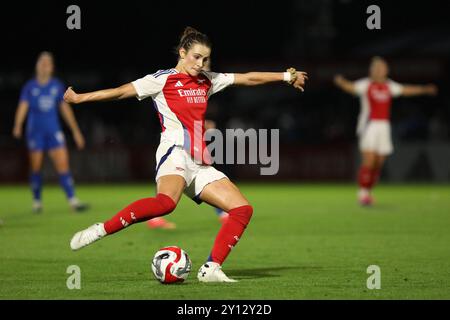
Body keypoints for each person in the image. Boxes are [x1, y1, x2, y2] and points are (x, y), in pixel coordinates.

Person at [64, 27, 307, 282]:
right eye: (196, 57)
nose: (200, 63)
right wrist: (80, 99)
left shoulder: (207, 80)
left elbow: (248, 78)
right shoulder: (162, 79)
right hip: (174, 152)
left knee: (242, 209)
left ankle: (211, 268)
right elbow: (120, 91)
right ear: (182, 53)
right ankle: (100, 229)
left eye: (204, 59)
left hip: (199, 161)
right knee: (166, 204)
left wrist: (285, 76)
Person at [334, 56, 437, 206]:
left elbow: (405, 90)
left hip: (384, 127)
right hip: (369, 126)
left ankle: (368, 191)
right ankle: (362, 194)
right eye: (377, 68)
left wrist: (424, 89)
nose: (380, 71)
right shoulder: (366, 84)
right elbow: (351, 87)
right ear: (372, 70)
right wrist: (341, 82)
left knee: (378, 163)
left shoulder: (389, 86)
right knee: (369, 161)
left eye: (383, 68)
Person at [12, 51, 89, 213]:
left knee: (63, 165)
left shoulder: (57, 85)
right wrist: (18, 125)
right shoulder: (30, 86)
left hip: (54, 131)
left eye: (47, 62)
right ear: (37, 66)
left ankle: (72, 200)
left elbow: (65, 109)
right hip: (35, 132)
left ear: (51, 67)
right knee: (36, 167)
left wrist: (76, 131)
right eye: (41, 62)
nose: (44, 65)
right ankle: (37, 201)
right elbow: (23, 106)